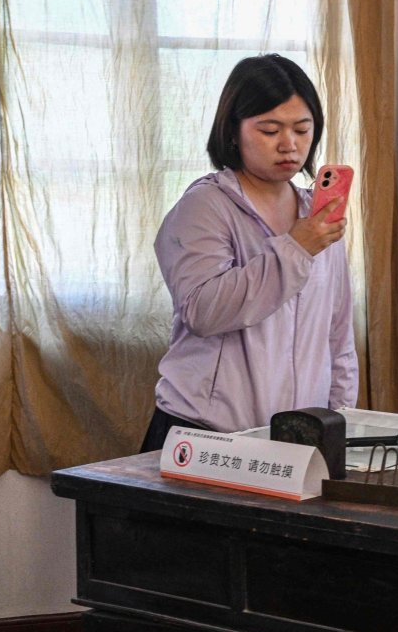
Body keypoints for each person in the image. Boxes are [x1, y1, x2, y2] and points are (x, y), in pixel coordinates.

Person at [141, 54, 358, 452]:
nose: (289, 145)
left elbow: (338, 334)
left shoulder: (317, 215)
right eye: (270, 130)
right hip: (205, 435)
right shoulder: (204, 206)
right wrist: (296, 248)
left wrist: (338, 420)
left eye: (302, 129)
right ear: (233, 131)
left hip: (298, 437)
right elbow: (204, 311)